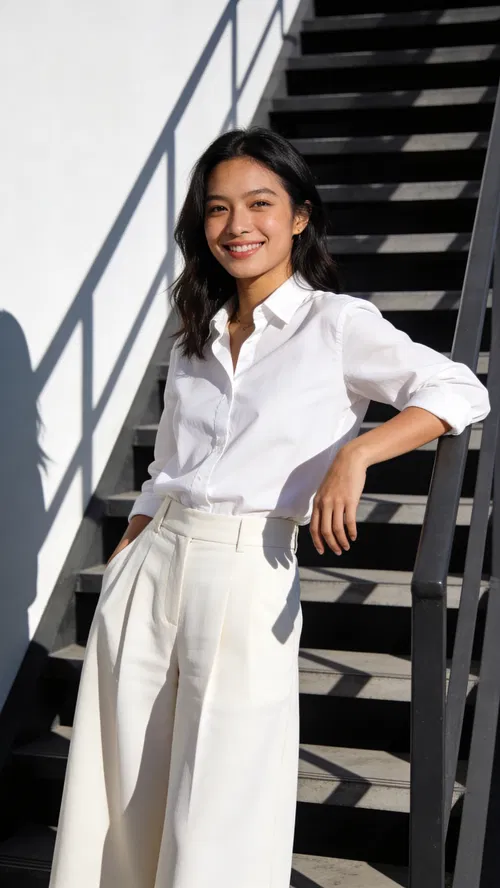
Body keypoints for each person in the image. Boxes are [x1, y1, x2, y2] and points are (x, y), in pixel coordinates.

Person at [48, 126, 491, 888]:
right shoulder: (199, 332)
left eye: (259, 203)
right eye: (217, 209)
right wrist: (133, 544)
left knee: (224, 793)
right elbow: (167, 467)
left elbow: (459, 388)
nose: (236, 226)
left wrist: (357, 453)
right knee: (118, 786)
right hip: (153, 564)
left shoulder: (337, 324)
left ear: (299, 217)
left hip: (249, 564)